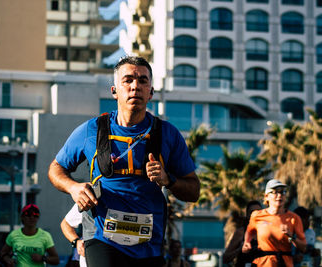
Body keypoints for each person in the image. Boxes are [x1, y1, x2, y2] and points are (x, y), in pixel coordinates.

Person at [48, 56, 200, 267]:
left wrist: (169, 180)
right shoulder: (91, 130)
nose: (135, 86)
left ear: (151, 92)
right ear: (114, 90)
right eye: (127, 80)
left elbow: (193, 190)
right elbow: (56, 168)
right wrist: (73, 187)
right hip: (101, 237)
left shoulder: (169, 134)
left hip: (148, 243)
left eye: (143, 81)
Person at [242, 179, 307, 267]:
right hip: (263, 263)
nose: (279, 195)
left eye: (283, 192)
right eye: (275, 192)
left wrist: (291, 236)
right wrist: (247, 242)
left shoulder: (293, 218)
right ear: (266, 196)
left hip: (284, 264)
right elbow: (249, 231)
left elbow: (303, 247)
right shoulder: (257, 216)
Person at [223, 200, 262, 267]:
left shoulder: (267, 231)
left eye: (259, 212)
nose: (256, 215)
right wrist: (240, 249)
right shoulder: (241, 232)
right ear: (247, 215)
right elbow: (225, 258)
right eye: (252, 212)